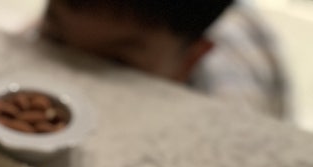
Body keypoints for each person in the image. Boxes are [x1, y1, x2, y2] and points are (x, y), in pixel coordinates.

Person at [38, 0, 288, 118]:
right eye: (56, 39)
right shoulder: (76, 20)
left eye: (116, 63)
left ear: (189, 62)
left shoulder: (232, 108)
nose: (72, 81)